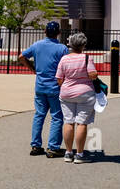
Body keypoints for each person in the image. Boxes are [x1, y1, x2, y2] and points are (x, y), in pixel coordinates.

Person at [20, 20, 66, 158]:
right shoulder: (62, 48)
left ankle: (36, 145)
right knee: (57, 117)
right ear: (58, 33)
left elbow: (21, 57)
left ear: (45, 32)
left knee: (39, 115)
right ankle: (53, 147)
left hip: (40, 86)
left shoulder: (37, 45)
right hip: (55, 87)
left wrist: (31, 68)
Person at [55, 31, 99, 163]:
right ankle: (79, 154)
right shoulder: (87, 58)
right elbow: (93, 75)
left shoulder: (64, 59)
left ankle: (68, 153)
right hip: (85, 93)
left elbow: (59, 79)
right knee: (81, 123)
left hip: (66, 93)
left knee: (68, 121)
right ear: (83, 45)